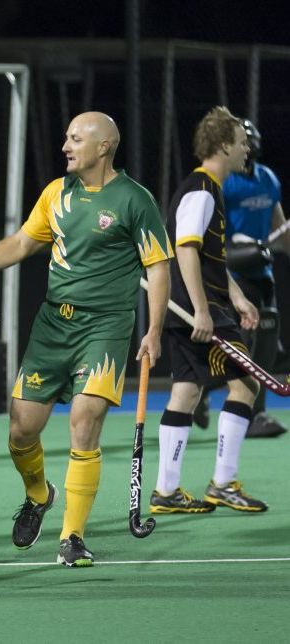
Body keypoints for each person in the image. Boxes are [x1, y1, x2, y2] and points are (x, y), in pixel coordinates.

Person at [0, 112, 172, 567]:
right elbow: (23, 243)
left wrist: (154, 330)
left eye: (75, 139)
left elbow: (158, 266)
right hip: (53, 327)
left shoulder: (133, 200)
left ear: (103, 147)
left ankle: (72, 536)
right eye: (66, 137)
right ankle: (37, 494)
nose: (65, 146)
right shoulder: (56, 193)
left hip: (105, 326)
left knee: (84, 421)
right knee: (21, 429)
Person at [149, 106, 268, 514]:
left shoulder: (206, 190)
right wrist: (202, 309)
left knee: (186, 390)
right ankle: (222, 484)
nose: (246, 149)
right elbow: (185, 249)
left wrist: (236, 295)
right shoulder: (201, 190)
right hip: (199, 312)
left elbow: (207, 257)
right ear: (222, 146)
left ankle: (166, 491)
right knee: (246, 386)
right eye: (240, 143)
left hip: (203, 305)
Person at [221, 119, 289, 437]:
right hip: (233, 272)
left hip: (262, 271)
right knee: (236, 345)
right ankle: (209, 399)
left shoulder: (268, 179)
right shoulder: (226, 182)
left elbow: (279, 224)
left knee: (266, 341)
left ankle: (256, 414)